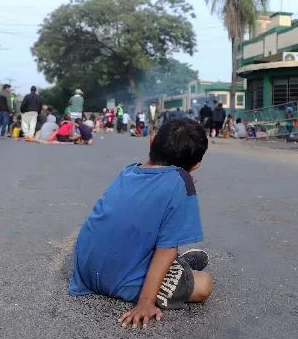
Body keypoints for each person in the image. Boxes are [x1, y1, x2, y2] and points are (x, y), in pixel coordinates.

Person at [69, 118, 212, 327]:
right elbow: (167, 248)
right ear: (196, 165)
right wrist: (146, 302)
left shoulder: (128, 170)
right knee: (205, 284)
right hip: (121, 280)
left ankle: (178, 266)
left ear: (152, 141)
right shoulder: (181, 182)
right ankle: (178, 267)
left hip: (86, 272)